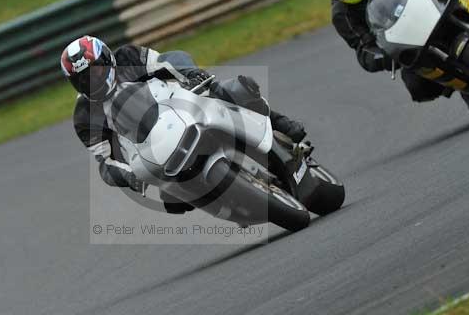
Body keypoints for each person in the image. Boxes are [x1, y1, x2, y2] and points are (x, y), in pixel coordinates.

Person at [61, 36, 306, 213]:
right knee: (173, 202)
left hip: (180, 105)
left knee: (231, 90)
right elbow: (106, 162)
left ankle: (280, 123)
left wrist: (190, 73)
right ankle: (230, 205)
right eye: (82, 79)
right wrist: (129, 177)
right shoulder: (84, 117)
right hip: (151, 150)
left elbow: (166, 61)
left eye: (95, 71)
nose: (91, 80)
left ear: (108, 60)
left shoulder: (128, 57)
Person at [317, 0, 469, 111]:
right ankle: (467, 88)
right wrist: (383, 55)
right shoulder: (342, 15)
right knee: (416, 85)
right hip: (407, 39)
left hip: (427, 3)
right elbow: (363, 50)